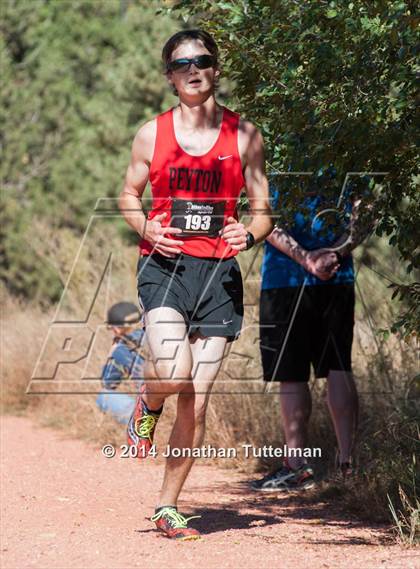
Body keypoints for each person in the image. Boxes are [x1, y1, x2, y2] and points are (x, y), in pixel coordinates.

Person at [119, 29, 273, 540]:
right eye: (182, 62)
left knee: (199, 399)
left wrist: (247, 234)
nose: (193, 69)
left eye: (202, 60)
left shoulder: (246, 135)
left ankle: (168, 506)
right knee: (175, 371)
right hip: (164, 267)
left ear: (215, 68)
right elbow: (127, 195)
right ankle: (150, 399)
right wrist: (146, 227)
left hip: (219, 275)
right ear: (169, 75)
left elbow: (263, 212)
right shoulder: (151, 134)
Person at [252, 176, 371, 492]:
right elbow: (364, 213)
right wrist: (335, 252)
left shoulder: (271, 145)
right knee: (337, 366)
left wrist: (305, 258)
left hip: (284, 277)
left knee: (293, 374)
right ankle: (347, 465)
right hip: (334, 274)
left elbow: (262, 218)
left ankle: (296, 467)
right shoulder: (348, 138)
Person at [96, 302, 145, 424]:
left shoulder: (121, 349)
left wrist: (111, 353)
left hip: (151, 406)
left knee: (104, 396)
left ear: (117, 328)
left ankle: (137, 426)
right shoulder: (153, 334)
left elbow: (107, 383)